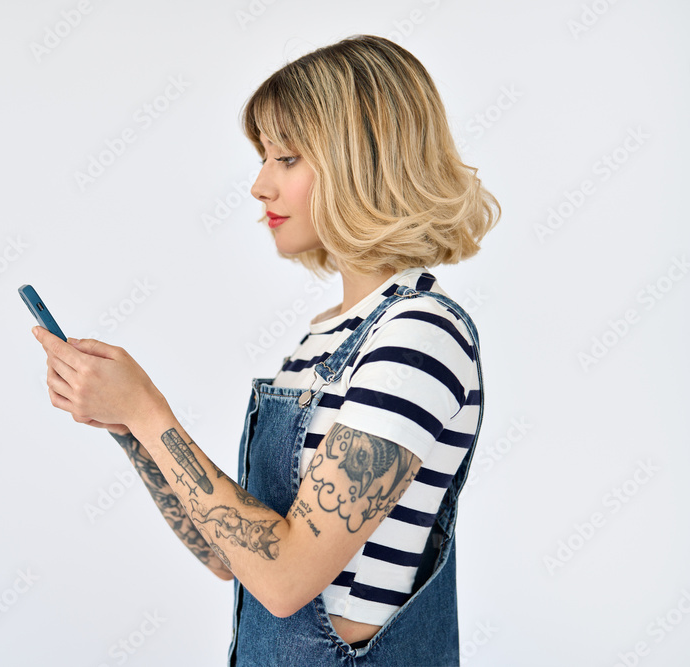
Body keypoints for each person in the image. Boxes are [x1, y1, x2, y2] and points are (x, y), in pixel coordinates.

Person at [32, 34, 500, 666]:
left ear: (362, 160)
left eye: (286, 158)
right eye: (263, 158)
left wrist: (148, 411)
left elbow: (285, 580)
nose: (259, 185)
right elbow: (230, 556)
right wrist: (130, 429)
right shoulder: (326, 338)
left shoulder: (417, 336)